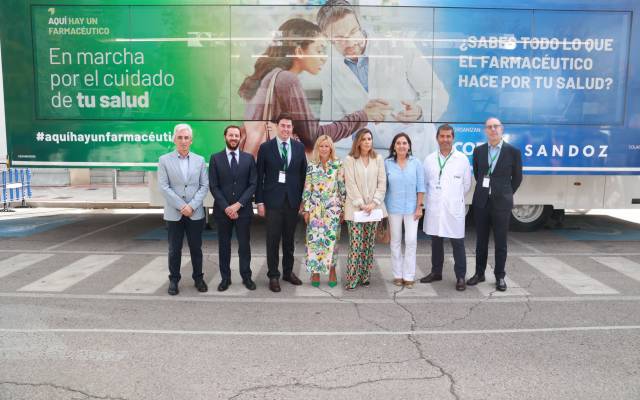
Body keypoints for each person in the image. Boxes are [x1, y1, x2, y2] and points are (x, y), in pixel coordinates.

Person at [239, 17, 390, 157]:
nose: (324, 57)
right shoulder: (287, 80)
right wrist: (363, 116)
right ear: (299, 52)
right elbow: (314, 137)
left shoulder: (272, 76)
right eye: (319, 50)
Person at [316, 0, 449, 158]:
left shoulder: (399, 47)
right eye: (339, 38)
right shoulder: (330, 70)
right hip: (372, 154)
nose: (350, 42)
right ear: (327, 38)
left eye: (353, 32)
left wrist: (420, 111)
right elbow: (330, 124)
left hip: (415, 146)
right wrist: (361, 117)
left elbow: (438, 94)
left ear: (360, 23)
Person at [467, 117, 523, 292]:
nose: (493, 129)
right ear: (485, 130)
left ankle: (500, 276)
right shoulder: (478, 151)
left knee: (501, 243)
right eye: (489, 127)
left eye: (496, 127)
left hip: (502, 203)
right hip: (482, 202)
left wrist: (505, 193)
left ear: (502, 129)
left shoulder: (513, 152)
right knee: (481, 241)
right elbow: (478, 174)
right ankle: (479, 273)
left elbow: (517, 178)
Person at [255, 112, 308, 293]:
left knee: (289, 240)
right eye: (283, 125)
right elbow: (258, 176)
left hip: (292, 201)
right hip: (272, 202)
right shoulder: (265, 148)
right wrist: (259, 202)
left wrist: (303, 200)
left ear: (292, 128)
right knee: (272, 240)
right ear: (277, 126)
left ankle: (287, 272)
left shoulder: (299, 148)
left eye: (289, 126)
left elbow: (303, 176)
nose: (286, 129)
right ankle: (273, 275)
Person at [157, 123, 209, 295]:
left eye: (186, 138)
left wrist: (192, 206)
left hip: (195, 213)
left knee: (196, 248)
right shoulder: (164, 160)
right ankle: (174, 280)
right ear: (174, 139)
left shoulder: (200, 160)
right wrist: (181, 206)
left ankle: (198, 278)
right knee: (174, 250)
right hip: (174, 214)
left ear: (191, 140)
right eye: (180, 137)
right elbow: (164, 187)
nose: (183, 141)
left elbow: (204, 185)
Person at [419, 124, 472, 291]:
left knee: (457, 242)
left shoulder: (462, 159)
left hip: (453, 208)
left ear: (453, 138)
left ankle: (461, 276)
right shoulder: (429, 159)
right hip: (435, 208)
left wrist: (451, 198)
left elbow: (466, 185)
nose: (445, 140)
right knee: (436, 241)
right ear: (437, 138)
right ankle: (436, 272)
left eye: (448, 136)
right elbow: (425, 184)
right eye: (442, 136)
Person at [208, 125, 258, 292]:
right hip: (222, 212)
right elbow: (214, 186)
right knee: (224, 246)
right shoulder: (215, 159)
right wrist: (227, 207)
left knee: (244, 246)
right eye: (231, 135)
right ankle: (225, 278)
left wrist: (238, 205)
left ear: (240, 138)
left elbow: (253, 184)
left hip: (243, 211)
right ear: (225, 137)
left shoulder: (249, 158)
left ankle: (246, 276)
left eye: (237, 135)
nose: (234, 138)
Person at [343, 128, 387, 289]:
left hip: (373, 209)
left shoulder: (378, 159)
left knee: (368, 244)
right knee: (356, 245)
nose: (367, 141)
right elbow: (350, 184)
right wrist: (361, 204)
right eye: (364, 139)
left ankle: (365, 276)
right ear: (358, 142)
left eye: (369, 138)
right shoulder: (349, 160)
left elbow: (382, 183)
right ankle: (352, 278)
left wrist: (374, 203)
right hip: (356, 209)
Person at [302, 135, 346, 287]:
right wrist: (306, 210)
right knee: (314, 241)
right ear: (317, 148)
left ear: (331, 148)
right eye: (321, 146)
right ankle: (315, 272)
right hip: (315, 209)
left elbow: (341, 187)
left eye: (327, 146)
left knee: (332, 242)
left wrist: (343, 209)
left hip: (333, 210)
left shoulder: (338, 164)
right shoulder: (312, 165)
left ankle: (332, 270)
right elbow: (308, 188)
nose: (324, 149)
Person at [384, 133, 425, 289]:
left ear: (409, 146)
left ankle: (409, 275)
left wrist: (419, 207)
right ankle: (398, 275)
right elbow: (383, 186)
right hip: (393, 208)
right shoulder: (387, 163)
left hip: (412, 209)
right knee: (395, 241)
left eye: (404, 143)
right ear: (394, 146)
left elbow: (421, 187)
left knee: (411, 241)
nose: (402, 146)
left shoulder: (416, 163)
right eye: (398, 143)